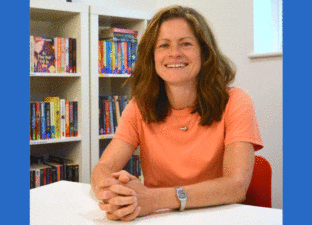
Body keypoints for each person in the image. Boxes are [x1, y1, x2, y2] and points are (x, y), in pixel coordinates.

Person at [91, 5, 263, 222]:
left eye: (186, 44)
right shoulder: (139, 106)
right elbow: (103, 169)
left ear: (204, 52)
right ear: (151, 56)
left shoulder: (236, 101)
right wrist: (113, 194)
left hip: (219, 217)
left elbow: (235, 186)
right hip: (159, 219)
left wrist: (154, 199)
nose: (174, 53)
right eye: (163, 45)